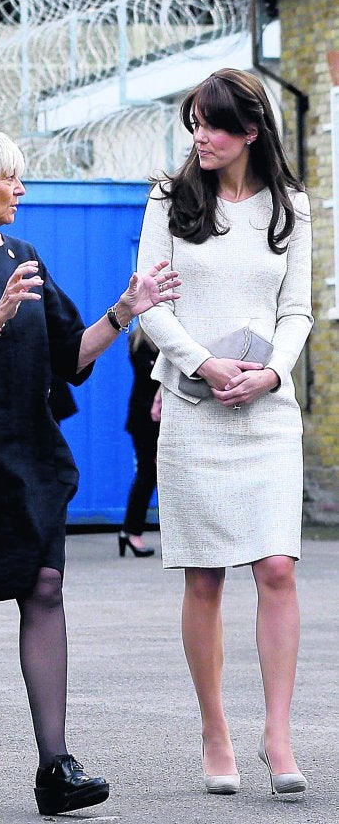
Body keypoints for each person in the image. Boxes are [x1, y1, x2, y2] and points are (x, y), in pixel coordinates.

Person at [0, 115, 181, 816]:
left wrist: (125, 311)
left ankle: (56, 766)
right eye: (8, 176)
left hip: (26, 453)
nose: (19, 188)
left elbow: (70, 357)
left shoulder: (22, 253)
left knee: (45, 585)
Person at [137, 68, 312, 796]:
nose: (200, 137)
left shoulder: (291, 207)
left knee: (276, 567)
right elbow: (149, 305)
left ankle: (277, 734)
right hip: (195, 405)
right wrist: (206, 364)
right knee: (205, 575)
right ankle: (216, 730)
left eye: (212, 124)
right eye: (195, 124)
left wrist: (270, 375)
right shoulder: (169, 198)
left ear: (250, 131)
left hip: (267, 412)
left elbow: (296, 310)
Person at [119, 324, 161, 557]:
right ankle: (131, 530)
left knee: (152, 475)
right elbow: (150, 375)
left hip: (154, 415)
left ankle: (130, 530)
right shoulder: (140, 341)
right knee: (148, 474)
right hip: (145, 417)